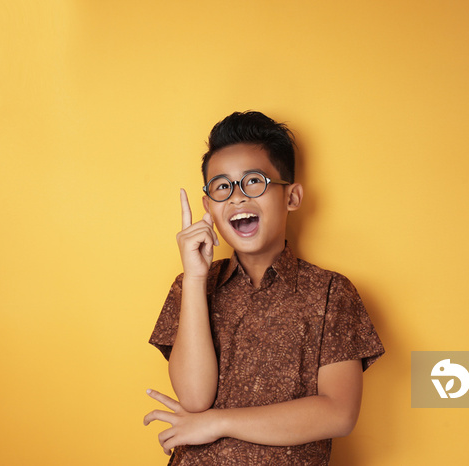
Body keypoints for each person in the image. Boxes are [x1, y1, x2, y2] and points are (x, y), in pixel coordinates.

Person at [144, 111, 384, 465]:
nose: (237, 198)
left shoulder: (331, 292)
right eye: (222, 186)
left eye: (253, 182)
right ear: (209, 207)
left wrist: (217, 423)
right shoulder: (191, 286)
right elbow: (195, 399)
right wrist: (195, 278)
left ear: (292, 197)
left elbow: (338, 413)